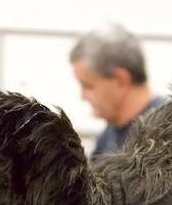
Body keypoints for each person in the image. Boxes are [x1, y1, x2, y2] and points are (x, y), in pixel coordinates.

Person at [69, 25, 166, 158]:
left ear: (121, 80)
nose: (83, 96)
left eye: (88, 86)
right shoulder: (108, 135)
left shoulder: (169, 134)